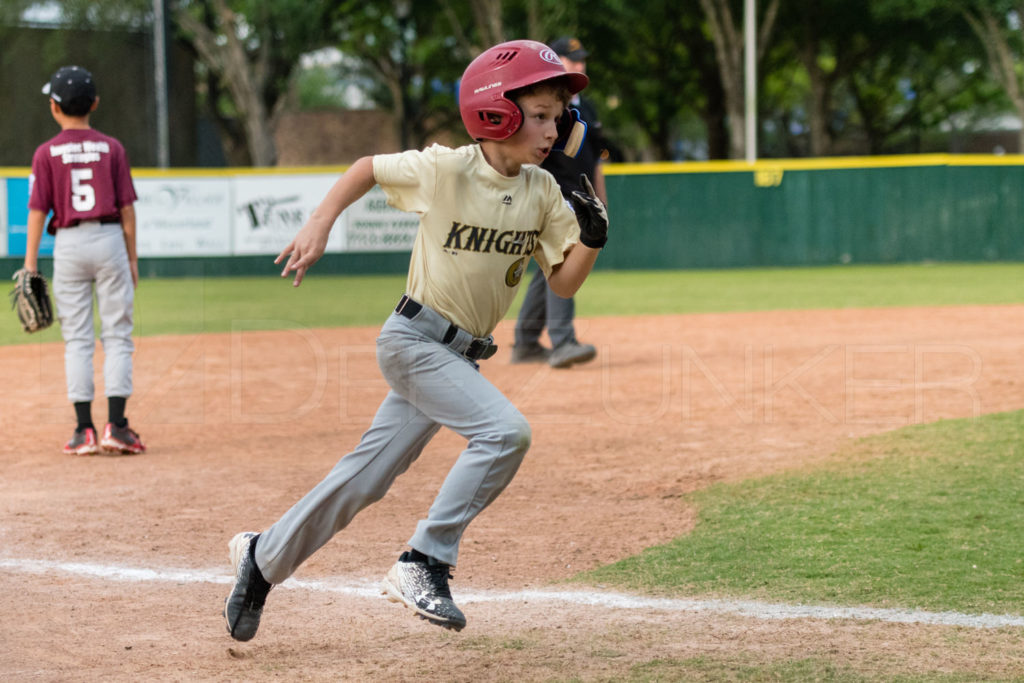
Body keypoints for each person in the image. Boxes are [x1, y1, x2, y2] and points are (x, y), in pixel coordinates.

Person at [222, 39, 609, 640]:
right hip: (413, 340)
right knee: (505, 433)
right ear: (494, 112)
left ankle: (262, 558)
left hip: (460, 357)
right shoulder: (447, 169)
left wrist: (590, 238)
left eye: (558, 116)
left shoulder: (542, 192)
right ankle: (424, 559)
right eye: (538, 114)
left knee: (366, 478)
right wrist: (320, 223)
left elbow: (561, 285)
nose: (553, 129)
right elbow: (366, 169)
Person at [25, 66, 145, 456]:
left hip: (70, 245)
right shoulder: (113, 147)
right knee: (117, 336)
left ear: (53, 108)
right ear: (94, 104)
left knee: (77, 339)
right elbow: (127, 210)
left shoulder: (45, 152)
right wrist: (132, 258)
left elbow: (38, 212)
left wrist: (30, 265)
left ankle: (84, 431)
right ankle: (118, 427)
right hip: (109, 239)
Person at [511, 36, 608, 369]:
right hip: (550, 195)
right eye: (571, 59)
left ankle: (524, 343)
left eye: (581, 59)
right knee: (565, 259)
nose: (579, 65)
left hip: (581, 196)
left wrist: (600, 199)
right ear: (554, 62)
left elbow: (596, 158)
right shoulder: (542, 107)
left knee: (548, 270)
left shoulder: (588, 107)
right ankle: (563, 342)